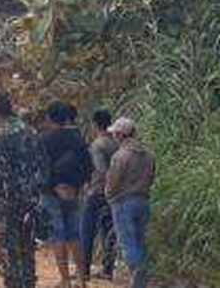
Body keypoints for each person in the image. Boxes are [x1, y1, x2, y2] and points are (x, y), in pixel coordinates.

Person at [0, 91, 46, 288]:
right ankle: (29, 283)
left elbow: (1, 174)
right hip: (32, 200)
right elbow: (42, 167)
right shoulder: (31, 131)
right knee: (27, 248)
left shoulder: (0, 136)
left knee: (7, 251)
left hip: (8, 203)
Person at [40, 101, 92, 288]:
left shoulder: (45, 140)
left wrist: (55, 186)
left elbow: (41, 169)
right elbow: (88, 166)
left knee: (58, 236)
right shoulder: (78, 139)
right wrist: (77, 187)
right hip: (74, 193)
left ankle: (65, 280)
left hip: (51, 193)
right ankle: (81, 278)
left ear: (49, 118)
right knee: (74, 235)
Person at [106, 117, 155, 288]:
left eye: (115, 134)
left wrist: (109, 196)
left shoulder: (120, 156)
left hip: (123, 202)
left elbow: (112, 182)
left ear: (120, 135)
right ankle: (142, 277)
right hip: (143, 200)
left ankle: (137, 273)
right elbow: (151, 178)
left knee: (127, 242)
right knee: (140, 240)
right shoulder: (148, 155)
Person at [80, 110, 118, 283]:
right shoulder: (116, 143)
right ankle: (108, 269)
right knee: (108, 231)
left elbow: (101, 170)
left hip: (97, 192)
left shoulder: (98, 145)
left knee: (87, 230)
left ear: (95, 124)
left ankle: (84, 269)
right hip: (114, 193)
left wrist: (91, 187)